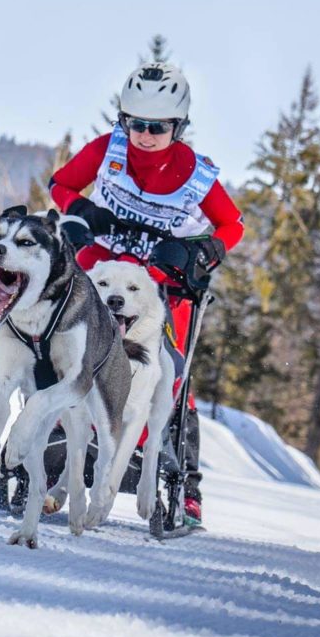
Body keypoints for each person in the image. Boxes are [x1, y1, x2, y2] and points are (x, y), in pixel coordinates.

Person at [48, 61, 243, 526]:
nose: (145, 135)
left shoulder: (195, 174)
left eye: (158, 127)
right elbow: (62, 184)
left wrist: (204, 249)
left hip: (155, 289)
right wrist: (80, 210)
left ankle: (184, 487)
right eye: (136, 123)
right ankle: (52, 443)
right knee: (61, 349)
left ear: (178, 126)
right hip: (100, 275)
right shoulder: (106, 150)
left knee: (170, 374)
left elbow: (231, 224)